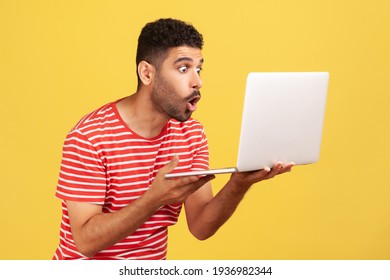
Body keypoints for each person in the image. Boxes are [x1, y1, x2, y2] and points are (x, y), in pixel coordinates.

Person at [53, 18, 294, 260]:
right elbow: (84, 241)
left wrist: (239, 183)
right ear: (147, 73)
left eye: (198, 69)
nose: (197, 81)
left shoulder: (191, 135)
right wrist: (154, 199)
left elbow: (201, 226)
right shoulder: (89, 138)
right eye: (183, 69)